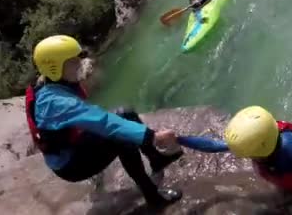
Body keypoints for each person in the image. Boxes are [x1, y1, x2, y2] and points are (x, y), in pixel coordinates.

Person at [25, 35, 183, 208]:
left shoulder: (50, 83)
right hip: (71, 166)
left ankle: (156, 158)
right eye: (72, 62)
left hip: (72, 148)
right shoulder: (56, 103)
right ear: (54, 68)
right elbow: (105, 122)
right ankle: (153, 197)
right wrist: (153, 136)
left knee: (125, 112)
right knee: (122, 138)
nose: (79, 64)